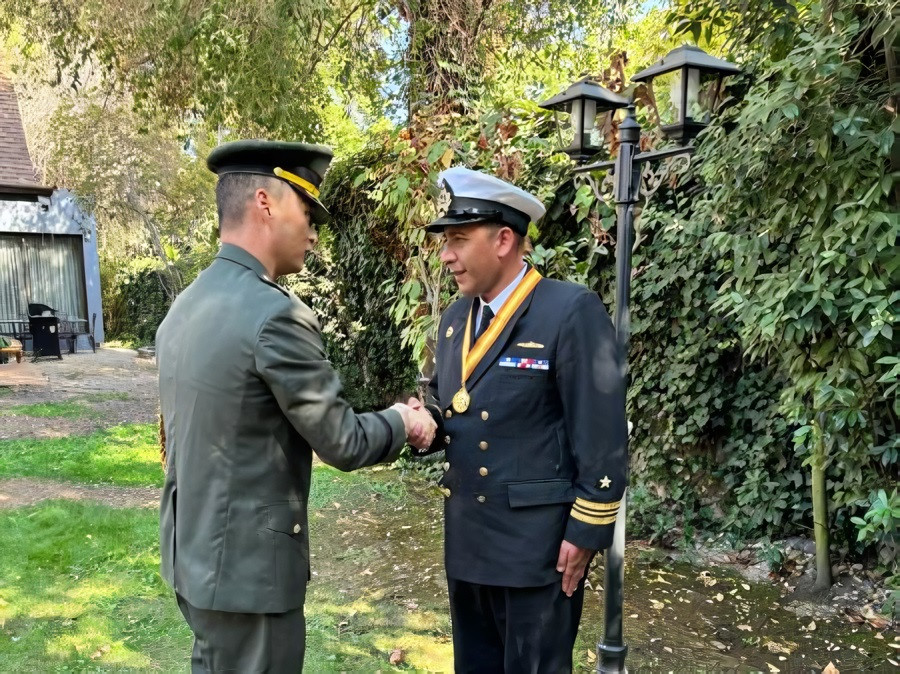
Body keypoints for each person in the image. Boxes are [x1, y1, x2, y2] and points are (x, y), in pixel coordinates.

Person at [156, 140, 436, 673]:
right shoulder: (274, 315)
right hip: (249, 576)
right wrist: (404, 421)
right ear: (265, 202)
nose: (312, 232)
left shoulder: (186, 305)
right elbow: (342, 441)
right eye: (306, 213)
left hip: (194, 559)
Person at [410, 166, 628, 673]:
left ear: (504, 239)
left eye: (459, 240)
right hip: (469, 543)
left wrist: (587, 530)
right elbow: (457, 409)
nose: (446, 256)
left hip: (539, 551)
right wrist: (425, 424)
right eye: (446, 242)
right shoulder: (453, 321)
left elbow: (602, 435)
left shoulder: (569, 310)